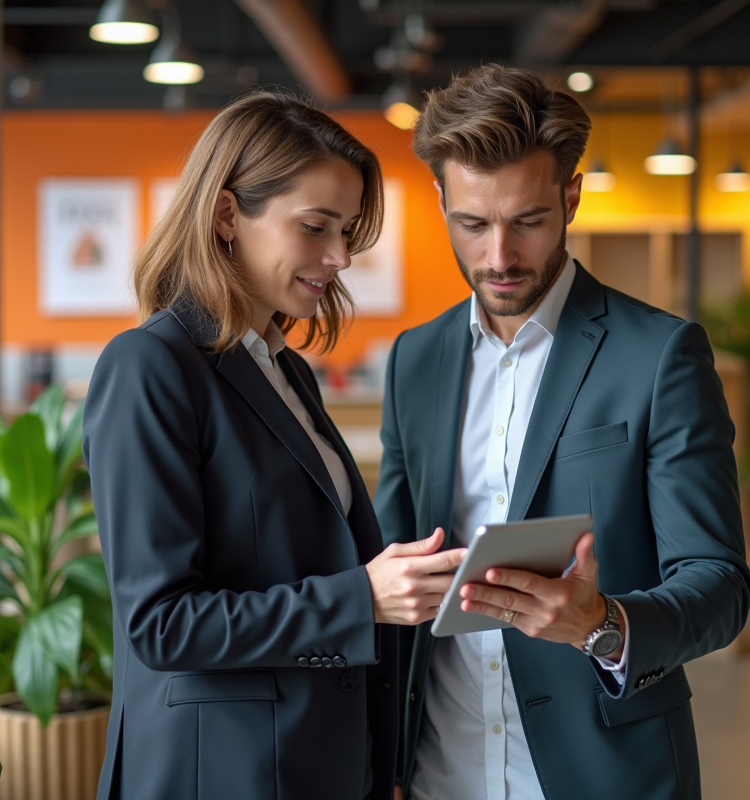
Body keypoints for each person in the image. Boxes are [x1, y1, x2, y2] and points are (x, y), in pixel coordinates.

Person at [374, 65, 750, 800]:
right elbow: (397, 564)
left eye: (528, 221)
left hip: (604, 772)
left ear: (571, 197)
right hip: (437, 772)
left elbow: (719, 585)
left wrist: (604, 623)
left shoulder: (660, 356)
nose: (498, 258)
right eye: (473, 224)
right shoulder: (413, 359)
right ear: (441, 200)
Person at [83, 92, 466, 800]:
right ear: (227, 215)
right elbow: (162, 626)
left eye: (347, 231)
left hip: (314, 761)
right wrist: (363, 597)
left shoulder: (283, 368)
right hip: (222, 773)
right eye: (316, 227)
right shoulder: (149, 366)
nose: (341, 256)